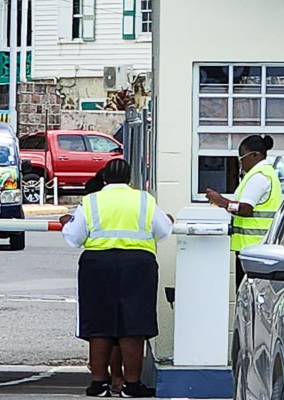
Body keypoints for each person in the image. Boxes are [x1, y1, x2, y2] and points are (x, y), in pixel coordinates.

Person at [63, 157, 172, 398]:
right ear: (128, 179)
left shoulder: (91, 201)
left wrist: (66, 223)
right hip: (138, 265)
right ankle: (132, 385)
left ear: (104, 178)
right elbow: (164, 231)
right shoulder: (143, 199)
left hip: (97, 265)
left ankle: (98, 383)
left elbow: (73, 237)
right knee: (134, 325)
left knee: (99, 325)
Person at [204, 134, 283, 286]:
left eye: (242, 158)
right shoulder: (264, 174)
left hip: (253, 249)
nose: (240, 162)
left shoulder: (259, 176)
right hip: (257, 248)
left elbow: (245, 209)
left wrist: (220, 201)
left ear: (255, 155)